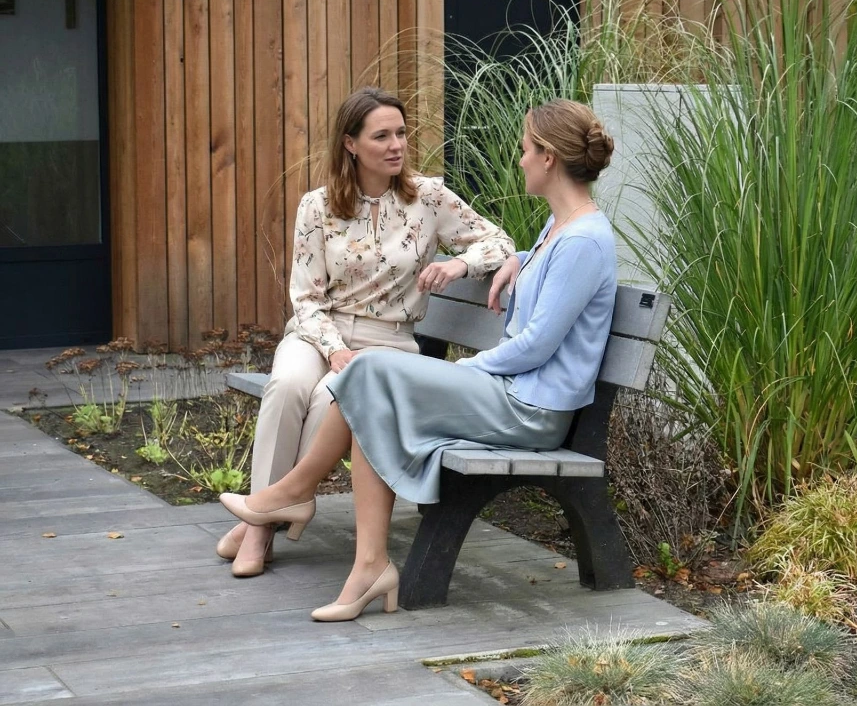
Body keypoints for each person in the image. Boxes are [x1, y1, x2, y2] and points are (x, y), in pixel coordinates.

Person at [220, 98, 616, 621]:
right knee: (364, 381)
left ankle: (297, 495)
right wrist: (517, 258)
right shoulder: (557, 231)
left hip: (530, 408)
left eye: (524, 150)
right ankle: (366, 561)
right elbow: (532, 285)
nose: (519, 160)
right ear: (351, 144)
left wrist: (459, 370)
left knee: (371, 375)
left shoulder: (582, 239)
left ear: (548, 159)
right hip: (512, 393)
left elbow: (537, 346)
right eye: (381, 136)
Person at [216, 87, 514, 576]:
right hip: (318, 332)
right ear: (351, 144)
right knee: (288, 385)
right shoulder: (317, 206)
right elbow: (306, 297)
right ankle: (263, 522)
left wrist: (459, 264)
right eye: (381, 136)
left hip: (390, 340)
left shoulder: (430, 197)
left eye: (400, 133)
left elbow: (500, 242)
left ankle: (259, 525)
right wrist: (333, 348)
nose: (396, 144)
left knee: (327, 402)